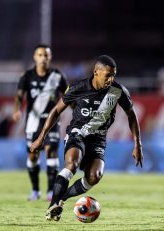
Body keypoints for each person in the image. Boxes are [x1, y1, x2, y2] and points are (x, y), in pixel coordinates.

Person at [30, 55, 143, 222]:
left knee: (94, 176)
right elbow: (56, 111)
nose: (110, 79)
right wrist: (41, 138)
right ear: (96, 72)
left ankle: (62, 199)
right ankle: (53, 206)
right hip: (78, 133)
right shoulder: (78, 87)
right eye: (107, 75)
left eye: (113, 75)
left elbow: (131, 116)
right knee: (72, 164)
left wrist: (137, 144)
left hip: (98, 139)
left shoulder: (118, 91)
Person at [12, 44, 68, 201]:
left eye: (46, 55)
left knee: (51, 152)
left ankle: (51, 191)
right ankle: (35, 190)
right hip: (33, 123)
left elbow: (68, 94)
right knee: (33, 156)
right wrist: (17, 110)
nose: (43, 58)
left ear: (50, 58)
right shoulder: (27, 76)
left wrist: (74, 108)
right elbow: (19, 96)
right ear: (34, 57)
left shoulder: (57, 76)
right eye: (40, 55)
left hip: (52, 122)